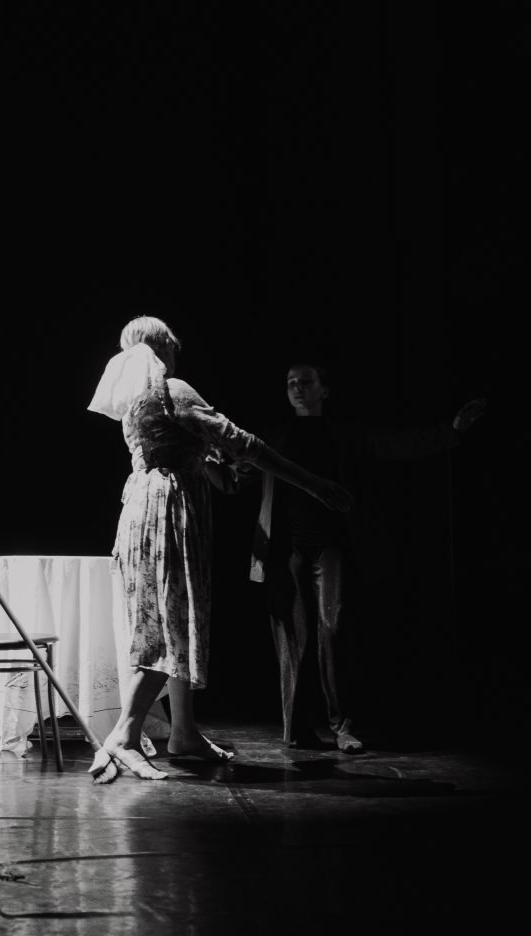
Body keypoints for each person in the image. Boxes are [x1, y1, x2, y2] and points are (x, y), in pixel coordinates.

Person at [86, 316, 353, 783]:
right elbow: (244, 444)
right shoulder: (172, 389)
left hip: (144, 507)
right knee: (168, 623)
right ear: (163, 349)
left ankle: (184, 732)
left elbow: (201, 460)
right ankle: (124, 737)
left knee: (172, 619)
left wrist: (208, 460)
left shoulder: (134, 400)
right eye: (172, 348)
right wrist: (313, 484)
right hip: (168, 511)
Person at [249, 360, 487, 753]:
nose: (297, 387)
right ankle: (296, 729)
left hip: (331, 546)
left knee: (335, 630)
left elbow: (396, 445)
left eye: (306, 381)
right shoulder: (272, 437)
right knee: (294, 640)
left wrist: (453, 430)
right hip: (285, 550)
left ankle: (342, 726)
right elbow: (237, 470)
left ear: (324, 390)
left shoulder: (344, 435)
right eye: (291, 382)